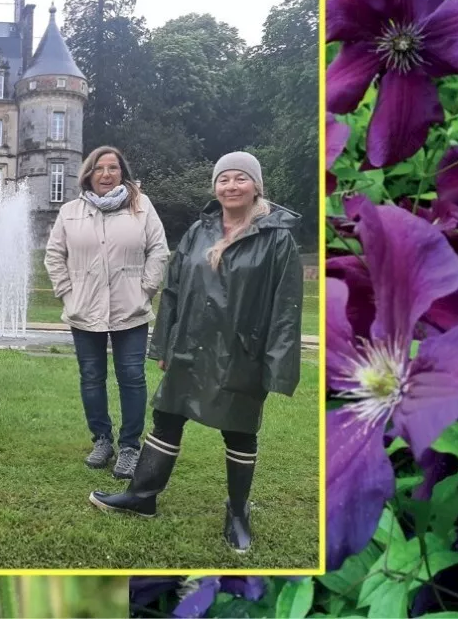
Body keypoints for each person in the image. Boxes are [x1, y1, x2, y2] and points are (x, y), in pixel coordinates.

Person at [88, 151, 303, 554]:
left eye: (240, 179)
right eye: (224, 180)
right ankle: (142, 496)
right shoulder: (198, 232)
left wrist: (276, 368)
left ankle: (238, 512)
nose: (231, 186)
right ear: (215, 187)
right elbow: (172, 291)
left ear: (256, 186)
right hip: (190, 345)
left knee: (239, 430)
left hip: (242, 352)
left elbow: (286, 309)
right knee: (167, 416)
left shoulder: (277, 239)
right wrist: (166, 343)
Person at [45, 146, 169, 480]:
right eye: (99, 168)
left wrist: (146, 289)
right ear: (88, 174)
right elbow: (54, 255)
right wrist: (67, 294)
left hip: (131, 308)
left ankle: (129, 446)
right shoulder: (71, 211)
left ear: (122, 173)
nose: (106, 174)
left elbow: (158, 249)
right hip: (84, 309)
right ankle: (102, 439)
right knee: (91, 377)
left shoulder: (141, 207)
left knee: (132, 377)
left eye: (113, 168)